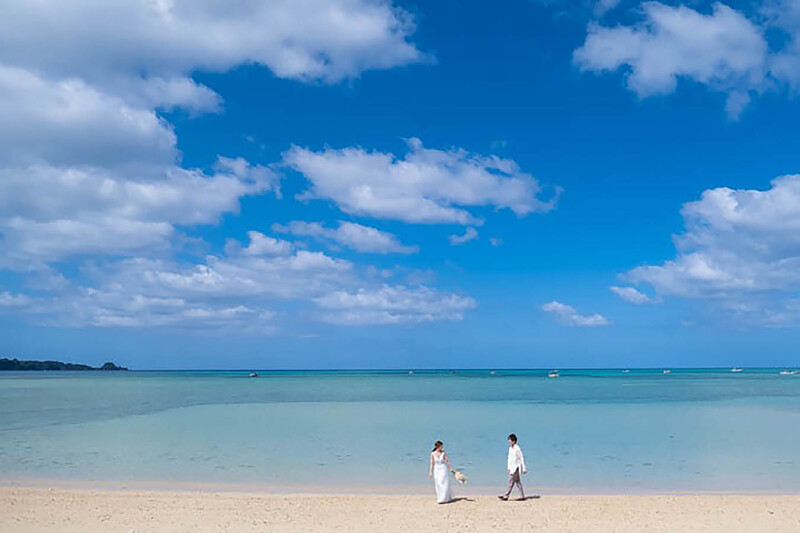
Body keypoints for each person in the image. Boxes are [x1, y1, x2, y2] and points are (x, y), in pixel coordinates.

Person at [498, 433, 526, 501]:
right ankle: (522, 496)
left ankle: (506, 496)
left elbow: (521, 458)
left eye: (510, 440)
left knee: (511, 481)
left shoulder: (517, 449)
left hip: (516, 467)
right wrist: (508, 467)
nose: (509, 441)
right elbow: (509, 458)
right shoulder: (510, 448)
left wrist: (524, 468)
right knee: (517, 482)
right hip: (512, 467)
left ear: (513, 441)